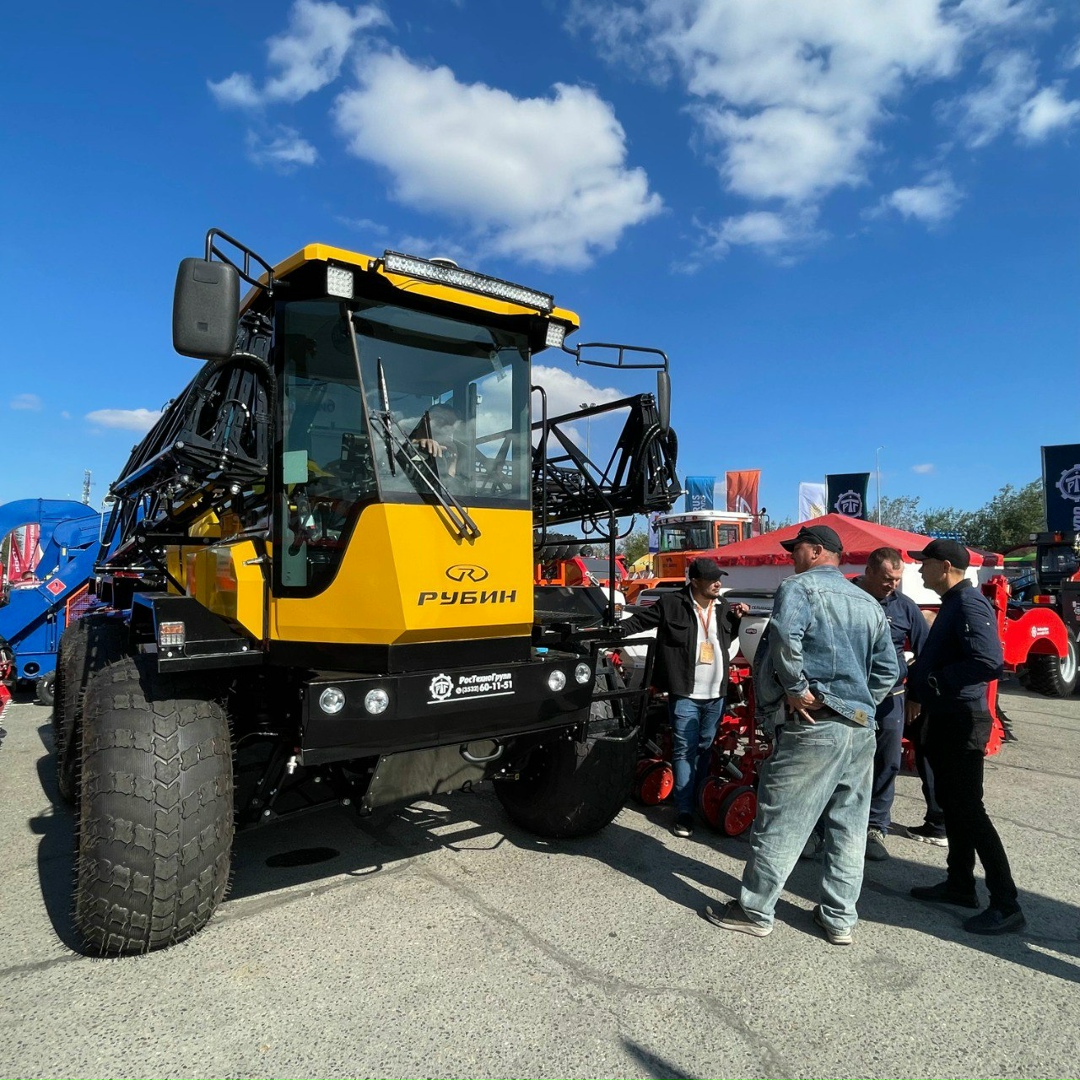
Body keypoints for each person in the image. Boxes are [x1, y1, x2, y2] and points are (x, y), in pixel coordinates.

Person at [704, 524, 897, 945]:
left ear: (814, 551)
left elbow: (787, 640)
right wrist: (859, 703)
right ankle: (839, 919)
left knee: (781, 820)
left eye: (796, 550)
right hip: (861, 731)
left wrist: (797, 689)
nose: (791, 557)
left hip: (814, 727)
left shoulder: (799, 589)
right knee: (848, 826)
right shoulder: (868, 602)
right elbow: (889, 670)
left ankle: (754, 910)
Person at [905, 539, 1024, 935]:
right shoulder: (955, 602)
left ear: (944, 567)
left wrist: (936, 680)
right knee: (954, 806)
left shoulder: (970, 603)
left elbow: (988, 661)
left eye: (925, 565)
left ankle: (1006, 904)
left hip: (962, 719)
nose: (920, 571)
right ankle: (960, 884)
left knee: (969, 809)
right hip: (945, 717)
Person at [621, 557, 749, 837]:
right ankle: (684, 811)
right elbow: (640, 621)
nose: (719, 583)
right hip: (685, 693)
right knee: (684, 749)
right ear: (695, 581)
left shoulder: (724, 607)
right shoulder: (671, 604)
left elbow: (725, 642)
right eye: (713, 579)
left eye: (720, 578)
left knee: (705, 747)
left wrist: (740, 621)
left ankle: (699, 799)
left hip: (716, 693)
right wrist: (612, 630)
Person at [855, 547, 929, 861]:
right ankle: (830, 827)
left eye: (897, 579)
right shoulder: (848, 596)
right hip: (851, 699)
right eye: (887, 578)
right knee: (847, 762)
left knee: (887, 763)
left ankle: (875, 828)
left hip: (891, 699)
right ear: (869, 571)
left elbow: (926, 654)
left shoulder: (905, 607)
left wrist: (915, 695)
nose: (892, 585)